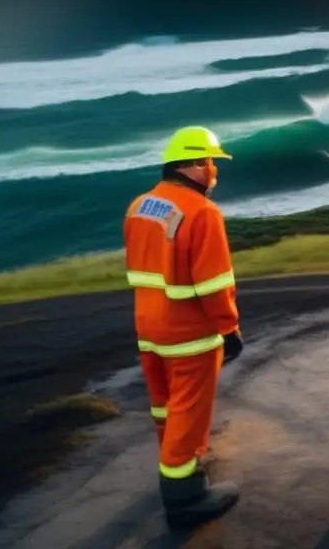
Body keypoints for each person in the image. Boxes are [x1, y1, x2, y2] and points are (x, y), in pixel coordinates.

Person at [123, 126, 244, 529]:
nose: (214, 171)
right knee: (189, 410)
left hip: (147, 325)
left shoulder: (140, 205)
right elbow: (213, 282)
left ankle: (176, 459)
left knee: (164, 405)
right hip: (187, 332)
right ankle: (184, 496)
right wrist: (230, 329)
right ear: (194, 165)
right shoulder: (203, 212)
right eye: (212, 163)